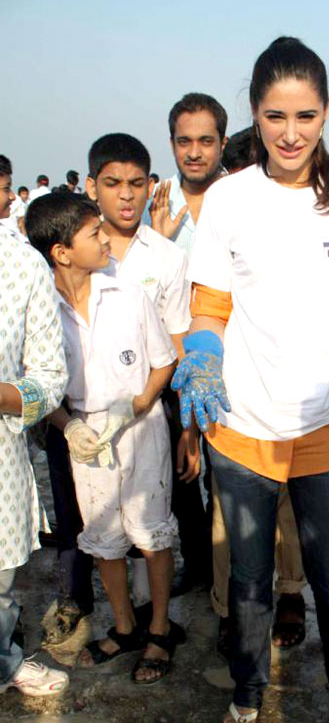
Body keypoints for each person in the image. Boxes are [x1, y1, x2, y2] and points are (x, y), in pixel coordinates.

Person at [174, 36, 329, 723]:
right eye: (275, 116)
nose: (290, 133)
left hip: (327, 425)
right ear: (255, 113)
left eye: (305, 115)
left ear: (326, 113)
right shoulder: (228, 200)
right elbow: (208, 304)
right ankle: (247, 691)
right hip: (241, 424)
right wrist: (203, 352)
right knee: (247, 582)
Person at [26, 191, 184, 684]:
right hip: (84, 435)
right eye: (94, 233)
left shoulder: (129, 295)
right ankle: (123, 625)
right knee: (103, 539)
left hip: (141, 428)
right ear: (62, 252)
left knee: (151, 532)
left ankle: (159, 629)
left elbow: (164, 363)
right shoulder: (40, 310)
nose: (106, 239)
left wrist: (135, 406)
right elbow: (38, 384)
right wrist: (67, 424)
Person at [84, 133, 205, 597]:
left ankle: (165, 603)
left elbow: (179, 344)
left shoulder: (168, 257)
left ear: (150, 184)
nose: (127, 195)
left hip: (156, 403)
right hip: (90, 407)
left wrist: (189, 428)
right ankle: (117, 611)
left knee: (165, 503)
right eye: (113, 183)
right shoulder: (79, 252)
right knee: (98, 513)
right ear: (93, 187)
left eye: (137, 183)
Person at [211, 125, 308, 655]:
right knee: (230, 511)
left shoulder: (306, 221)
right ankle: (230, 608)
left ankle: (290, 593)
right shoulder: (218, 220)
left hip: (292, 392)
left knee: (288, 503)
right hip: (230, 392)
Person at [0, 192, 70, 698]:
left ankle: (4, 659)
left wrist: (4, 395)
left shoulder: (22, 266)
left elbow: (50, 379)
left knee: (0, 586)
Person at [148, 93, 228, 253]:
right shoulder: (153, 204)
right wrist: (156, 244)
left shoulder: (246, 199)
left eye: (206, 141)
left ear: (223, 144)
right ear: (172, 144)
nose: (194, 153)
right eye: (184, 142)